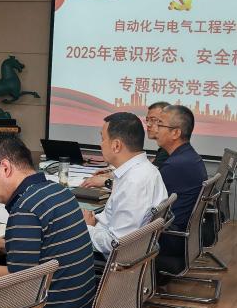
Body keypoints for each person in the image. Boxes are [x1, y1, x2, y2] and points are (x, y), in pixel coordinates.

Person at [0, 134, 97, 308]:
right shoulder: (58, 192)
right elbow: (49, 249)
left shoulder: (25, 209)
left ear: (5, 168)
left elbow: (18, 281)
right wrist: (1, 244)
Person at [84, 112, 167, 257]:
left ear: (116, 145)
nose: (100, 144)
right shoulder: (147, 170)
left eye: (102, 139)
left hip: (113, 260)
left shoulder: (133, 182)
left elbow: (116, 243)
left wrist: (87, 228)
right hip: (126, 246)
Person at [79, 100, 171, 189]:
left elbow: (137, 183)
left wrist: (107, 181)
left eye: (154, 120)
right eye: (147, 120)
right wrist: (113, 172)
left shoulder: (169, 152)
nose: (148, 124)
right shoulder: (163, 151)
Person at [153, 105, 208, 233]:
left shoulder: (175, 166)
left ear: (176, 133)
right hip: (179, 231)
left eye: (160, 124)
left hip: (169, 235)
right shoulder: (188, 156)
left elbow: (146, 205)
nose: (156, 129)